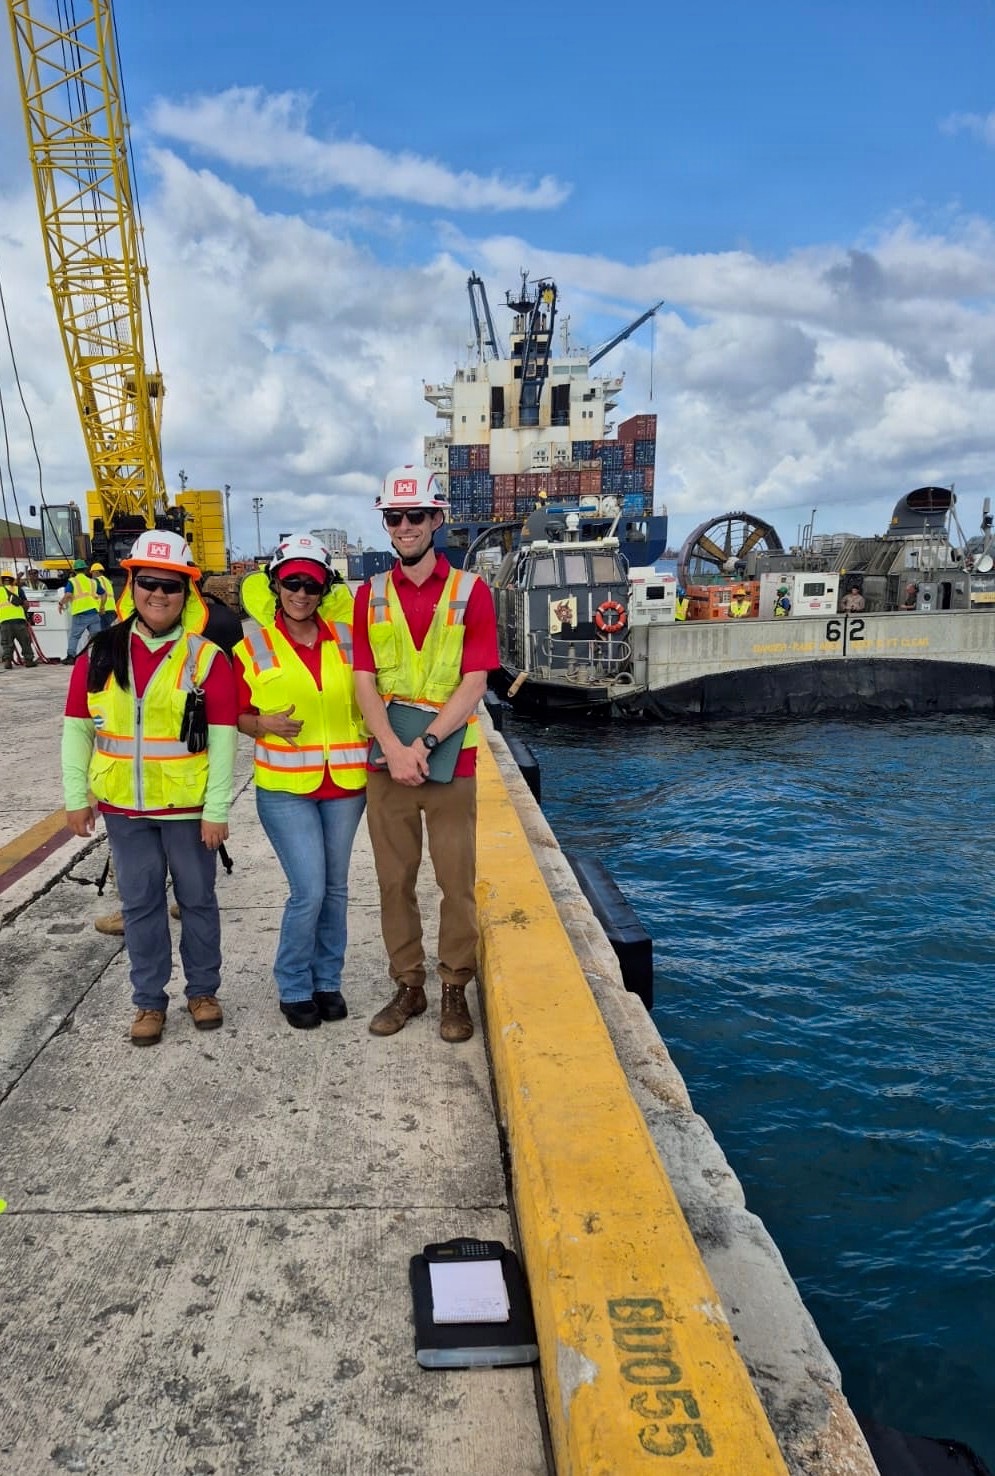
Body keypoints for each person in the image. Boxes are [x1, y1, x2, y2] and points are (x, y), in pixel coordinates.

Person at [61, 530, 238, 1046]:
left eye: (171, 586)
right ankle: (148, 1001)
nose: (158, 595)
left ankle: (203, 991)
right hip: (125, 810)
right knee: (140, 905)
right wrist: (77, 797)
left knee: (198, 900)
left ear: (188, 593)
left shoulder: (206, 659)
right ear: (131, 584)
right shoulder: (99, 653)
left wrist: (216, 808)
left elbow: (224, 740)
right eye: (148, 583)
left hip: (187, 809)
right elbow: (77, 729)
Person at [353, 465, 499, 1044]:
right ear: (386, 523)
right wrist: (393, 748)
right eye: (396, 516)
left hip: (448, 760)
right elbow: (364, 679)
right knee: (394, 881)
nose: (406, 526)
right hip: (389, 761)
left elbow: (475, 680)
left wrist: (426, 744)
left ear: (437, 519)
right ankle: (408, 984)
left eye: (417, 516)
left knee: (456, 883)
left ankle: (453, 987)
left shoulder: (471, 591)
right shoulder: (371, 594)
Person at [232, 536, 367, 1030]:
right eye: (292, 582)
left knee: (335, 890)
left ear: (325, 588)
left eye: (313, 583)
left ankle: (327, 981)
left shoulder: (351, 640)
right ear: (276, 585)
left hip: (346, 785)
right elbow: (234, 715)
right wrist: (260, 724)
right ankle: (293, 984)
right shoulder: (252, 647)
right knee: (308, 890)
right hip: (286, 788)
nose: (302, 593)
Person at [58, 558, 102, 662]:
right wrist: (102, 606)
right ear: (85, 570)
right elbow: (102, 593)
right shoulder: (93, 582)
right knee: (96, 638)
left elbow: (68, 595)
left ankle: (70, 657)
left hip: (80, 614)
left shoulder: (72, 581)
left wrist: (60, 603)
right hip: (94, 613)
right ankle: (99, 657)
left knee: (74, 636)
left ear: (74, 570)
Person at [0, 573, 36, 670]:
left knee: (6, 643)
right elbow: (26, 604)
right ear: (12, 580)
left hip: (4, 621)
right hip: (19, 620)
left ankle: (8, 661)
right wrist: (24, 612)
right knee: (25, 641)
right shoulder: (18, 589)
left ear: (2, 581)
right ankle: (29, 660)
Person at [90, 561, 116, 629]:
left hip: (102, 609)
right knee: (112, 630)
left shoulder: (95, 581)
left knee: (102, 631)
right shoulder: (108, 581)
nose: (92, 575)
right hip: (111, 608)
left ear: (96, 572)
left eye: (92, 573)